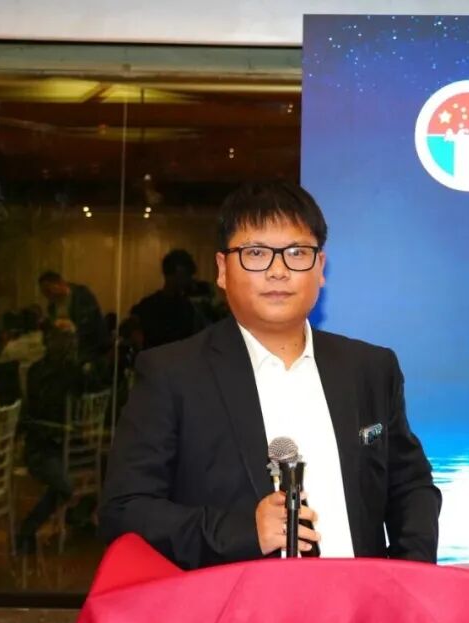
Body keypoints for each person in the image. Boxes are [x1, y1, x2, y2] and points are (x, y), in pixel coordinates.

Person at [101, 180, 441, 569]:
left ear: (320, 267)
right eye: (256, 253)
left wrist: (405, 580)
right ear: (222, 270)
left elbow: (411, 486)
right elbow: (124, 510)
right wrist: (244, 532)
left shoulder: (370, 368)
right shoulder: (172, 375)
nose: (278, 271)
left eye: (297, 253)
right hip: (236, 603)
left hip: (359, 602)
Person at [15, 324, 84, 554]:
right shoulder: (39, 372)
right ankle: (28, 529)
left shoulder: (74, 369)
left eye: (72, 337)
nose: (70, 342)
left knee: (112, 466)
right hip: (43, 444)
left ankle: (79, 516)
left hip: (70, 444)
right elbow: (41, 410)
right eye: (65, 337)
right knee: (64, 486)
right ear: (51, 340)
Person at [130, 249, 207, 350]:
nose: (187, 280)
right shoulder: (148, 306)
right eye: (183, 275)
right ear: (170, 276)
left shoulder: (189, 308)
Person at [37, 271, 107, 362]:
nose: (47, 295)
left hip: (90, 348)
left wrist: (71, 328)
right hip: (68, 352)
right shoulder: (52, 306)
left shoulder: (82, 295)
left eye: (48, 290)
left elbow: (90, 324)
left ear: (60, 283)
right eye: (44, 292)